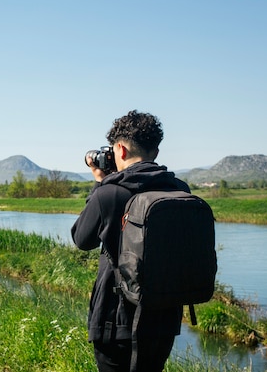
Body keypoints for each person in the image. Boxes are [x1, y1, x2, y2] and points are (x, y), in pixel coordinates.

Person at [71, 110, 190, 372]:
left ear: (120, 151)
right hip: (165, 318)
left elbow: (81, 239)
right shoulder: (180, 189)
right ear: (156, 152)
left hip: (117, 321)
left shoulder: (109, 193)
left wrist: (99, 184)